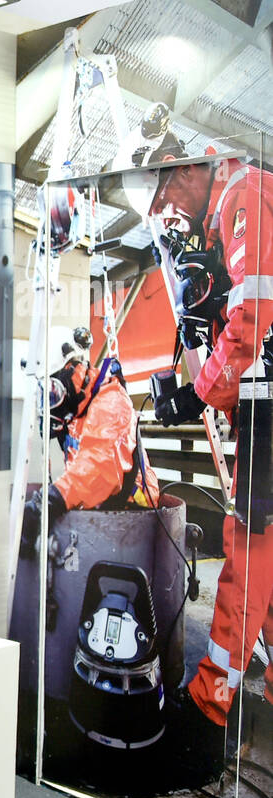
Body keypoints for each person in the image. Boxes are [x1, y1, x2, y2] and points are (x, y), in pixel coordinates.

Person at [147, 150, 273, 746]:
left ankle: (208, 706)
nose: (172, 213)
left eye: (170, 197)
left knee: (247, 551)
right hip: (260, 407)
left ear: (189, 171)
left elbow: (251, 318)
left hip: (268, 412)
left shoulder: (242, 194)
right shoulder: (229, 211)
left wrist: (200, 392)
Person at [19, 326, 161, 550]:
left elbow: (99, 467)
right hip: (100, 513)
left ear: (73, 372)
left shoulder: (111, 401)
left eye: (53, 393)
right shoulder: (77, 411)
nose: (51, 404)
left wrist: (46, 503)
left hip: (132, 518)